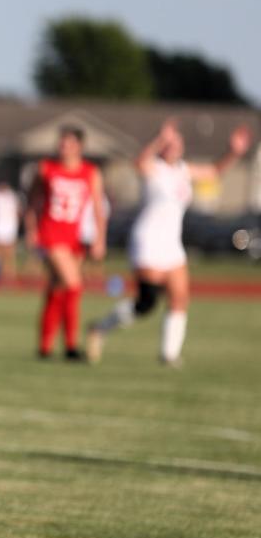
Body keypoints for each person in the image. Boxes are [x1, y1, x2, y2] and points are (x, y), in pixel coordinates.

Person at [87, 120, 251, 365]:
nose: (173, 147)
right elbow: (139, 162)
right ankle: (100, 328)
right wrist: (158, 138)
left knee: (180, 297)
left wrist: (234, 152)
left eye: (176, 143)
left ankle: (169, 354)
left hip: (171, 244)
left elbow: (215, 172)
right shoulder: (154, 168)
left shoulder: (183, 170)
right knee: (147, 302)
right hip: (148, 240)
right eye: (169, 144)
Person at [24, 125, 106, 360]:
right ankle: (71, 346)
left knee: (57, 288)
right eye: (62, 143)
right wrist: (31, 230)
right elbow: (32, 201)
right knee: (73, 284)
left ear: (80, 146)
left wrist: (100, 238)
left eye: (70, 143)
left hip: (75, 237)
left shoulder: (90, 172)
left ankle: (45, 347)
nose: (64, 148)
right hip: (51, 234)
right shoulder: (46, 168)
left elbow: (99, 208)